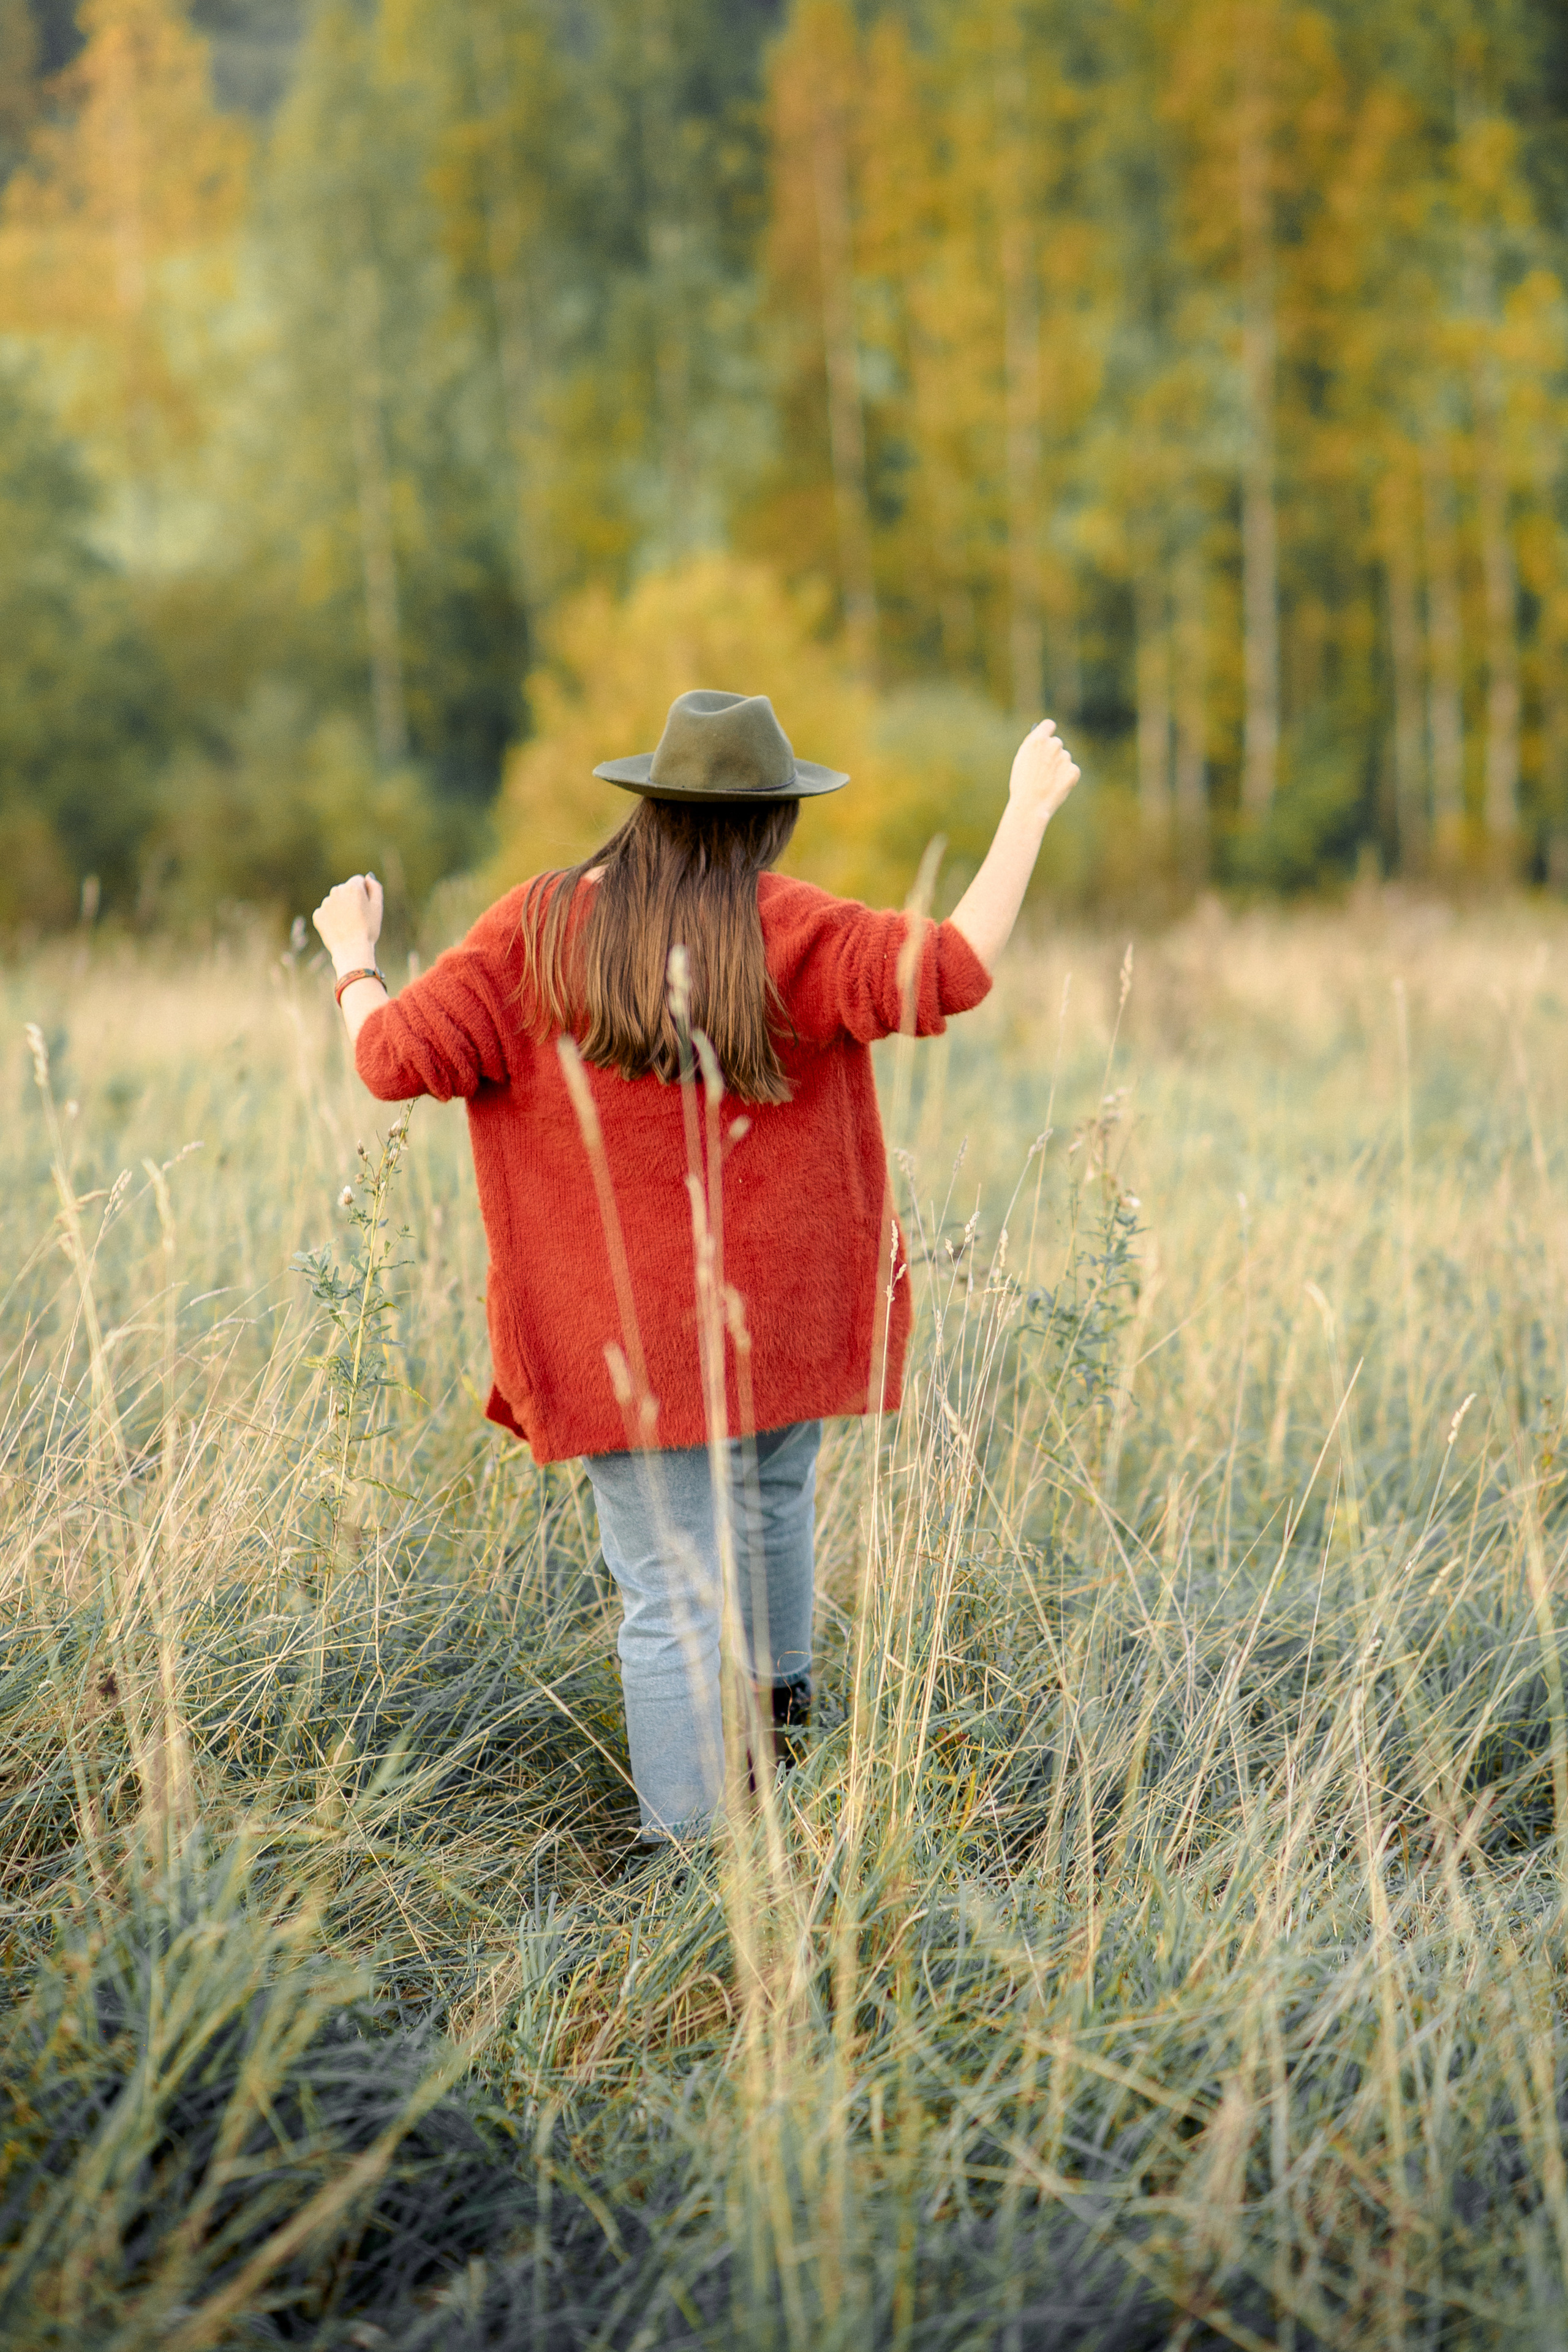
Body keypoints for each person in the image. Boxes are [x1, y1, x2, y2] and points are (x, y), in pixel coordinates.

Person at [313, 688, 1079, 1856]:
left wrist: (355, 960)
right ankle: (778, 1773)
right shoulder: (791, 924)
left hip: (621, 1338)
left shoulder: (536, 929)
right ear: (772, 822)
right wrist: (1024, 811)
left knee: (671, 1599)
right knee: (772, 1508)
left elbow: (388, 1059)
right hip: (783, 1314)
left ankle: (693, 1865)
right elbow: (953, 969)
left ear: (647, 805)